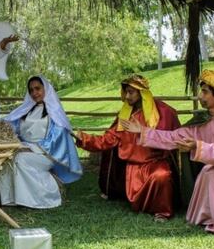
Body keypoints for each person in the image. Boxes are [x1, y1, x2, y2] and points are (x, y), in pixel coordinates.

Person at [122, 70, 214, 235]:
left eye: (205, 92)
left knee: (211, 173)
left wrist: (198, 147)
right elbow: (173, 137)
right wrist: (142, 131)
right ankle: (207, 217)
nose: (200, 96)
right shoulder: (203, 122)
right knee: (209, 171)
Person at [76, 75, 180, 221]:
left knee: (162, 175)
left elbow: (172, 138)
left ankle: (162, 212)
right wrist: (85, 139)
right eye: (126, 92)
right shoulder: (125, 115)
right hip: (134, 168)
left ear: (141, 93)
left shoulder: (163, 112)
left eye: (131, 92)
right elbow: (108, 139)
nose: (127, 96)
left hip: (156, 162)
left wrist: (141, 131)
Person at [0, 75, 82, 208]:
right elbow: (8, 123)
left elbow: (58, 138)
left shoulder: (54, 112)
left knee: (20, 159)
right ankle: (11, 198)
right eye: (31, 90)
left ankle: (46, 194)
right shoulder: (26, 110)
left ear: (46, 89)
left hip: (45, 154)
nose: (34, 93)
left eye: (37, 89)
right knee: (6, 159)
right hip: (24, 148)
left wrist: (31, 148)